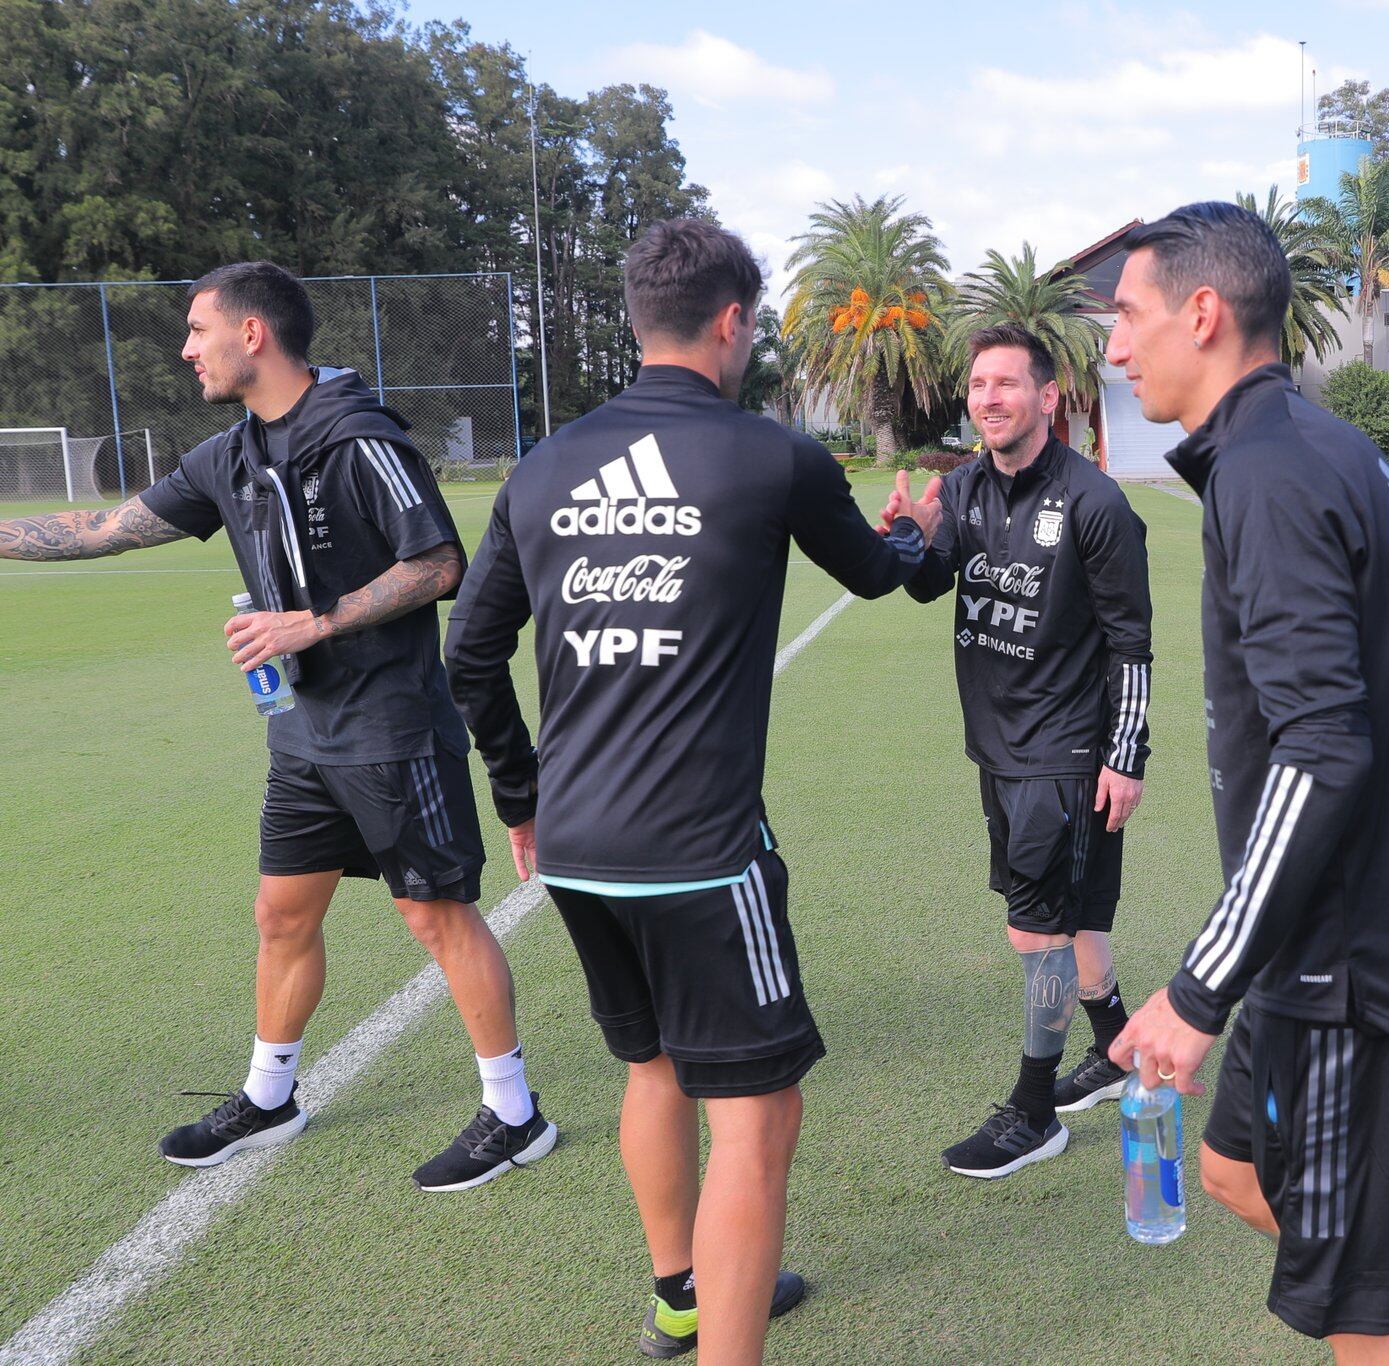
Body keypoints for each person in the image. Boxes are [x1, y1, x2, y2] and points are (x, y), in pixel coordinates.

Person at [442, 216, 943, 1364]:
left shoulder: (544, 465)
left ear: (633, 320)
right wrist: (917, 532)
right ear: (731, 323)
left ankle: (680, 1295)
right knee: (756, 1117)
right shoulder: (770, 455)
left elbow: (469, 658)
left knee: (652, 1066)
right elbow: (879, 574)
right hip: (703, 855)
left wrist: (521, 799)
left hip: (571, 846)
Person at [0, 261, 552, 1192]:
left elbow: (440, 564)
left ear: (252, 334)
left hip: (392, 730)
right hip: (301, 733)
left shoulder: (359, 439)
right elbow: (108, 529)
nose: (185, 350)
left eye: (196, 329)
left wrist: (318, 619)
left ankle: (515, 1114)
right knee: (281, 911)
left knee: (433, 914)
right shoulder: (232, 455)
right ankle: (271, 1097)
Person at [1103, 203, 1389, 1366]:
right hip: (1311, 949)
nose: (1115, 350)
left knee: (1351, 1314)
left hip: (1353, 971)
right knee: (1228, 1170)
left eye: (1127, 317)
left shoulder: (1271, 470)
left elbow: (1322, 753)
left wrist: (1192, 989)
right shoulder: (1305, 446)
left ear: (1204, 314)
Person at [879, 324, 1154, 1178]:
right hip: (998, 744)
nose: (988, 398)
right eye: (978, 385)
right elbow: (929, 584)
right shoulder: (962, 489)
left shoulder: (1095, 503)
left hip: (1066, 753)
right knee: (1075, 923)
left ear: (1046, 395)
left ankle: (1035, 1112)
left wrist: (1126, 756)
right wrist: (907, 534)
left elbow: (1132, 645)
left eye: (1006, 384)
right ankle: (1116, 1054)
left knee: (1035, 937)